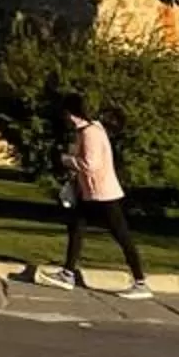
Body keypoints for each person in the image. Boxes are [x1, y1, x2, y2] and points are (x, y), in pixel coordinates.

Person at [39, 91, 154, 297]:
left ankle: (140, 282)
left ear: (70, 113)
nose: (64, 118)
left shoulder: (90, 133)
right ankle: (67, 273)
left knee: (122, 236)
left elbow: (91, 165)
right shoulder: (91, 129)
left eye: (65, 113)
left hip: (103, 194)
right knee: (76, 227)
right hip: (91, 193)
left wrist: (66, 160)